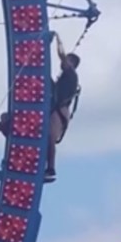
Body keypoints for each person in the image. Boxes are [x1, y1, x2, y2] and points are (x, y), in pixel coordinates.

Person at [45, 31, 81, 183]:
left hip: (60, 111)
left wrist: (58, 38)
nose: (64, 62)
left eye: (68, 60)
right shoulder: (65, 79)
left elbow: (61, 55)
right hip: (58, 109)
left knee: (49, 137)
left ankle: (51, 168)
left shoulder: (71, 74)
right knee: (47, 137)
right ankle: (47, 166)